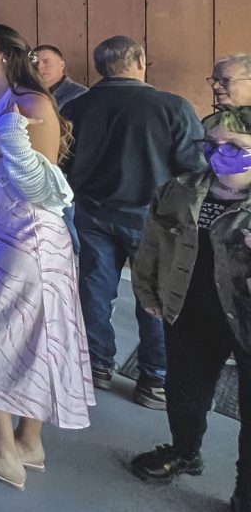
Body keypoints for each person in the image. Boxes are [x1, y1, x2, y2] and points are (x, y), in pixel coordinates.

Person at [0, 24, 94, 491]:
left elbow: (41, 189)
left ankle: (4, 455)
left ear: (5, 54)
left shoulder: (32, 104)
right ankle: (29, 444)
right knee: (27, 339)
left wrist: (11, 134)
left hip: (26, 241)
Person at [61, 36, 204, 409]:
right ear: (140, 61)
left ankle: (96, 367)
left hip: (90, 213)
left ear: (99, 67)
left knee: (94, 290)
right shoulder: (173, 106)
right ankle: (154, 380)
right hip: (152, 218)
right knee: (154, 298)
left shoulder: (76, 106)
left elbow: (62, 164)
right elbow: (195, 168)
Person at [129, 107, 251, 512]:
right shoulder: (180, 189)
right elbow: (151, 246)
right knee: (185, 393)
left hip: (247, 319)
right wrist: (146, 290)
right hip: (191, 312)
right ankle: (184, 452)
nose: (220, 154)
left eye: (235, 146)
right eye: (212, 144)